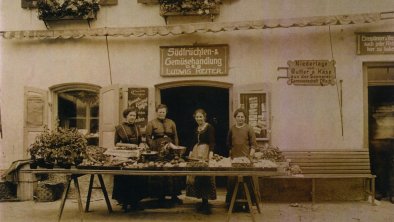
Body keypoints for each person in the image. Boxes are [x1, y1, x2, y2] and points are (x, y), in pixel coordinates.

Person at [145, 104, 183, 205]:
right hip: (158, 150)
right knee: (160, 171)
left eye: (163, 112)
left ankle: (174, 196)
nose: (161, 113)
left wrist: (176, 149)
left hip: (170, 149)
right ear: (156, 112)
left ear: (166, 112)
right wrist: (154, 147)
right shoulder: (151, 123)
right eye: (159, 112)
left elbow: (175, 136)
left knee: (173, 170)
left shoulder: (171, 122)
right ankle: (160, 197)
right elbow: (148, 138)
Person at [112, 108, 146, 212]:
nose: (132, 117)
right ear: (126, 116)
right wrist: (129, 145)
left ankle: (135, 203)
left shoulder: (137, 127)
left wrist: (140, 146)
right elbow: (116, 143)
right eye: (131, 115)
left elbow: (140, 141)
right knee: (124, 179)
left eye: (134, 116)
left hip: (135, 156)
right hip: (123, 157)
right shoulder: (119, 128)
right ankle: (125, 202)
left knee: (136, 178)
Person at [226, 108, 258, 212]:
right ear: (235, 118)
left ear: (245, 118)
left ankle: (248, 205)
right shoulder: (232, 129)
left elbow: (253, 146)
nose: (240, 118)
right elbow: (229, 144)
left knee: (247, 182)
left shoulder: (249, 129)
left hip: (246, 160)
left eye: (242, 117)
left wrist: (249, 158)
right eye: (238, 117)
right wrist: (231, 156)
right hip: (235, 160)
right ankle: (233, 205)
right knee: (233, 181)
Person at [186, 108, 217, 214]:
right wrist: (190, 151)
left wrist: (211, 153)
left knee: (206, 176)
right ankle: (202, 201)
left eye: (200, 117)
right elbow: (193, 141)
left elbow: (212, 141)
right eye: (197, 117)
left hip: (205, 152)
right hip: (196, 152)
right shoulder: (196, 128)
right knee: (197, 176)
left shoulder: (209, 127)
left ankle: (206, 202)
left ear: (204, 117)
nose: (199, 119)